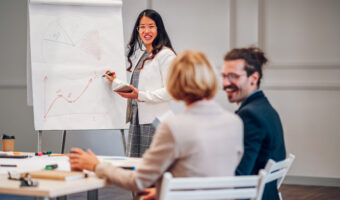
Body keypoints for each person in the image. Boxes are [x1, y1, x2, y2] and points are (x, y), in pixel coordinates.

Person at [69, 50, 243, 200]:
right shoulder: (234, 123)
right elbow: (204, 172)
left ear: (175, 83)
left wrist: (95, 165)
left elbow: (137, 181)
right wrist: (164, 191)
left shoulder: (173, 127)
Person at [105, 9, 176, 158]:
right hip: (138, 120)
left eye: (151, 26)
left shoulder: (166, 55)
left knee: (151, 169)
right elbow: (139, 88)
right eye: (142, 27)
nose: (146, 31)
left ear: (159, 28)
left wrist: (140, 95)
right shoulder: (143, 55)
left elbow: (171, 91)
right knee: (136, 167)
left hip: (155, 123)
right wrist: (115, 81)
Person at [222, 46, 286, 200]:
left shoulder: (250, 115)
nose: (225, 83)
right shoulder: (264, 107)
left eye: (233, 76)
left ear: (254, 78)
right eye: (224, 76)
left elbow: (240, 178)